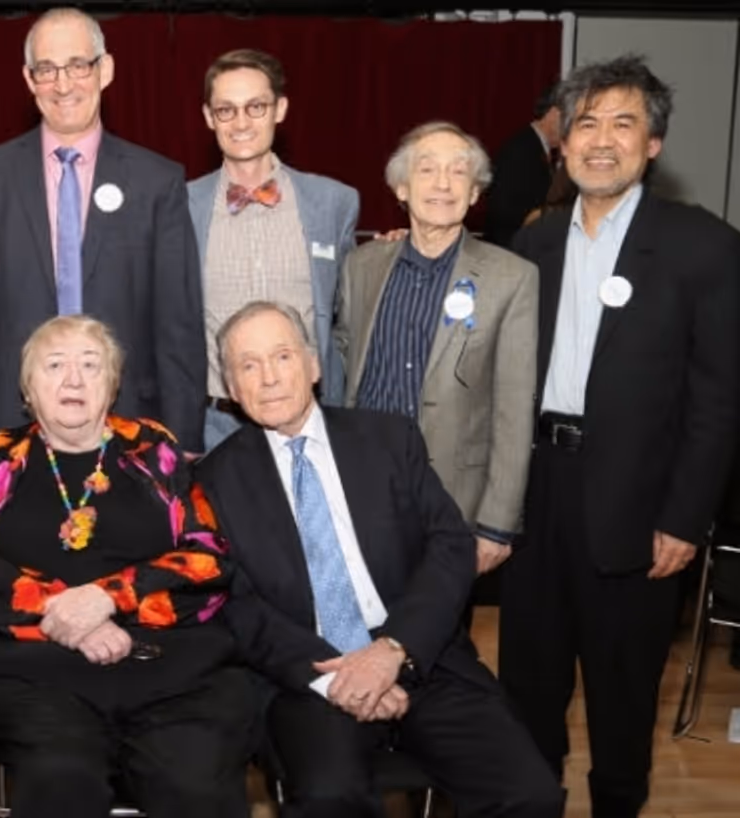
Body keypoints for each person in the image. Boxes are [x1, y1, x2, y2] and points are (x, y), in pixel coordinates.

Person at [198, 301, 563, 818]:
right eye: (249, 365)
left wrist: (394, 650)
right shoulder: (214, 483)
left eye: (282, 356)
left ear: (314, 365)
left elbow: (450, 545)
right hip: (310, 676)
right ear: (231, 390)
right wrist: (339, 678)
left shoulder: (389, 439)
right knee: (331, 798)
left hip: (420, 655)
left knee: (530, 795)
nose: (270, 378)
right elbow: (237, 606)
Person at [499, 55, 740, 818]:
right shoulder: (532, 246)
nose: (602, 140)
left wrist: (684, 517)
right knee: (528, 688)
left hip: (639, 512)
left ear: (655, 143)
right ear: (563, 141)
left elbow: (718, 399)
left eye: (623, 123)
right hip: (534, 499)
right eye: (587, 123)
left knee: (622, 694)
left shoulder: (704, 247)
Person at [0, 315, 251, 817]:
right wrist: (68, 617)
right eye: (55, 365)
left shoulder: (153, 449)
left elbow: (208, 556)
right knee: (62, 781)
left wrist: (109, 596)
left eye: (91, 365)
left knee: (194, 785)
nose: (73, 380)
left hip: (168, 667)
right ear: (28, 388)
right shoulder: (1, 458)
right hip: (38, 673)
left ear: (112, 385)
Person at [0, 7, 205, 461]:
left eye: (78, 66)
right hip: (10, 430)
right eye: (46, 70)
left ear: (105, 70)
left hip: (132, 430)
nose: (63, 85)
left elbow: (178, 325)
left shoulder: (157, 182)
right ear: (29, 79)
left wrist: (182, 444)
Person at [340, 122, 537, 580]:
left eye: (458, 173)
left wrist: (497, 524)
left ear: (474, 194)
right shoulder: (362, 266)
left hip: (454, 499)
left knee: (443, 640)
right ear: (402, 188)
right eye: (427, 170)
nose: (443, 184)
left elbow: (514, 407)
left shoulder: (513, 278)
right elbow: (342, 370)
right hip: (364, 487)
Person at [188, 49, 359, 450]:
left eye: (256, 107)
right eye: (226, 110)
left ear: (279, 109)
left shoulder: (333, 203)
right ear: (209, 117)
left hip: (312, 423)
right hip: (216, 428)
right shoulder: (180, 207)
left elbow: (351, 313)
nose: (242, 122)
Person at [483, 86, 561, 247]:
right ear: (555, 113)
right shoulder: (521, 148)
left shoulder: (536, 147)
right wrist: (545, 214)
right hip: (509, 251)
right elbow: (501, 208)